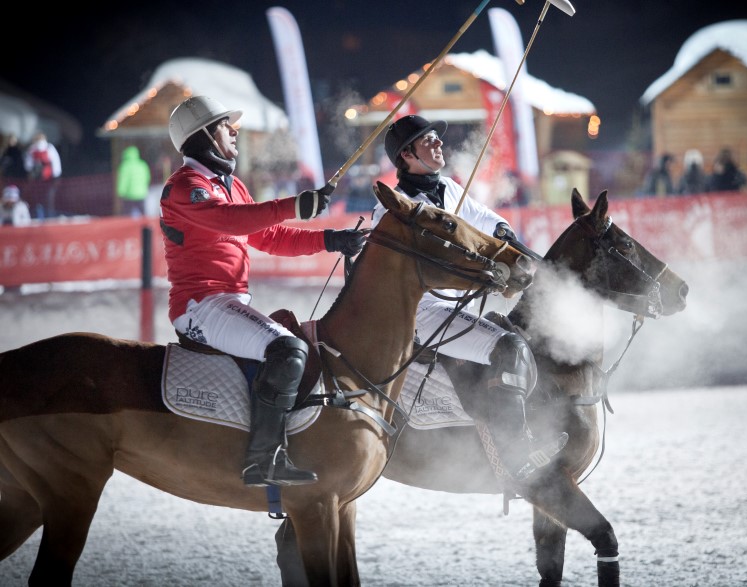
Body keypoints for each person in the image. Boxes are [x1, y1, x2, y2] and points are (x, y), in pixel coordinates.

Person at [161, 95, 368, 487]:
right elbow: (229, 221)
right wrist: (296, 204)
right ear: (203, 136)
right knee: (289, 350)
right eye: (225, 125)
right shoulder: (186, 186)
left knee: (292, 345)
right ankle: (262, 460)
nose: (234, 130)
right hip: (200, 307)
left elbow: (268, 236)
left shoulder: (232, 185)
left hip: (228, 303)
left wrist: (331, 239)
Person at [371, 114, 567, 484]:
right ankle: (517, 455)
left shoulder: (449, 188)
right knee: (509, 347)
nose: (438, 143)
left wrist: (528, 256)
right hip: (421, 310)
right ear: (406, 155)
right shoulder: (392, 208)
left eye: (436, 138)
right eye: (427, 140)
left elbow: (491, 225)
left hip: (450, 305)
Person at [116, 145, 151, 217]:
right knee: (143, 215)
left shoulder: (125, 166)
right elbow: (147, 178)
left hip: (129, 196)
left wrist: (120, 193)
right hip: (141, 194)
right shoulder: (143, 164)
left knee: (127, 217)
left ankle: (127, 228)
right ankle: (146, 227)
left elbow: (123, 181)